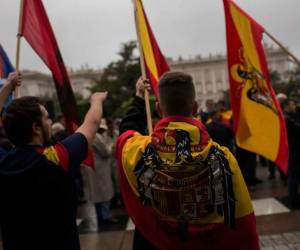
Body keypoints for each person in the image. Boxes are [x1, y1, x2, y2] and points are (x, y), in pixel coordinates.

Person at [116, 72, 259, 250]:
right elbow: (241, 221)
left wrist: (139, 98)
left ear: (159, 109)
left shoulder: (138, 151)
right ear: (195, 108)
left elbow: (126, 131)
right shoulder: (223, 156)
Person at [0, 70, 108, 250]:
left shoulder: (3, 163)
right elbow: (93, 122)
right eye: (47, 117)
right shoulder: (55, 157)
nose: (50, 122)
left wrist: (7, 87)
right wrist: (96, 100)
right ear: (35, 127)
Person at [85, 118, 118, 225]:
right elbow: (105, 152)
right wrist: (111, 147)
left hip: (95, 167)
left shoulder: (91, 135)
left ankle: (100, 215)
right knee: (104, 192)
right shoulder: (96, 137)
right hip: (100, 168)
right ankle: (106, 215)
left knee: (97, 193)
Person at [282, 98, 300, 208]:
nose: (294, 106)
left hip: (295, 151)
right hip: (293, 152)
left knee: (295, 176)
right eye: (292, 104)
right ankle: (293, 200)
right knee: (293, 177)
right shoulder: (286, 119)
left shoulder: (290, 117)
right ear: (287, 106)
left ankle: (295, 198)